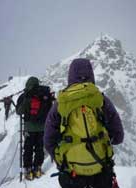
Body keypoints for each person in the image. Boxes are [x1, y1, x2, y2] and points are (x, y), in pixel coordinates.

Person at [44, 58, 124, 188]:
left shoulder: (60, 103)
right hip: (101, 169)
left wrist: (61, 161)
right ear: (91, 75)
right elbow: (118, 136)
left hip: (72, 172)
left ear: (70, 77)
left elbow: (48, 140)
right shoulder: (101, 99)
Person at [16, 76, 54, 180]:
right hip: (42, 127)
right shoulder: (45, 94)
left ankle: (28, 169)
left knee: (28, 148)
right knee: (39, 148)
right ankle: (38, 168)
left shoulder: (25, 96)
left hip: (29, 128)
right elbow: (51, 109)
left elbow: (19, 111)